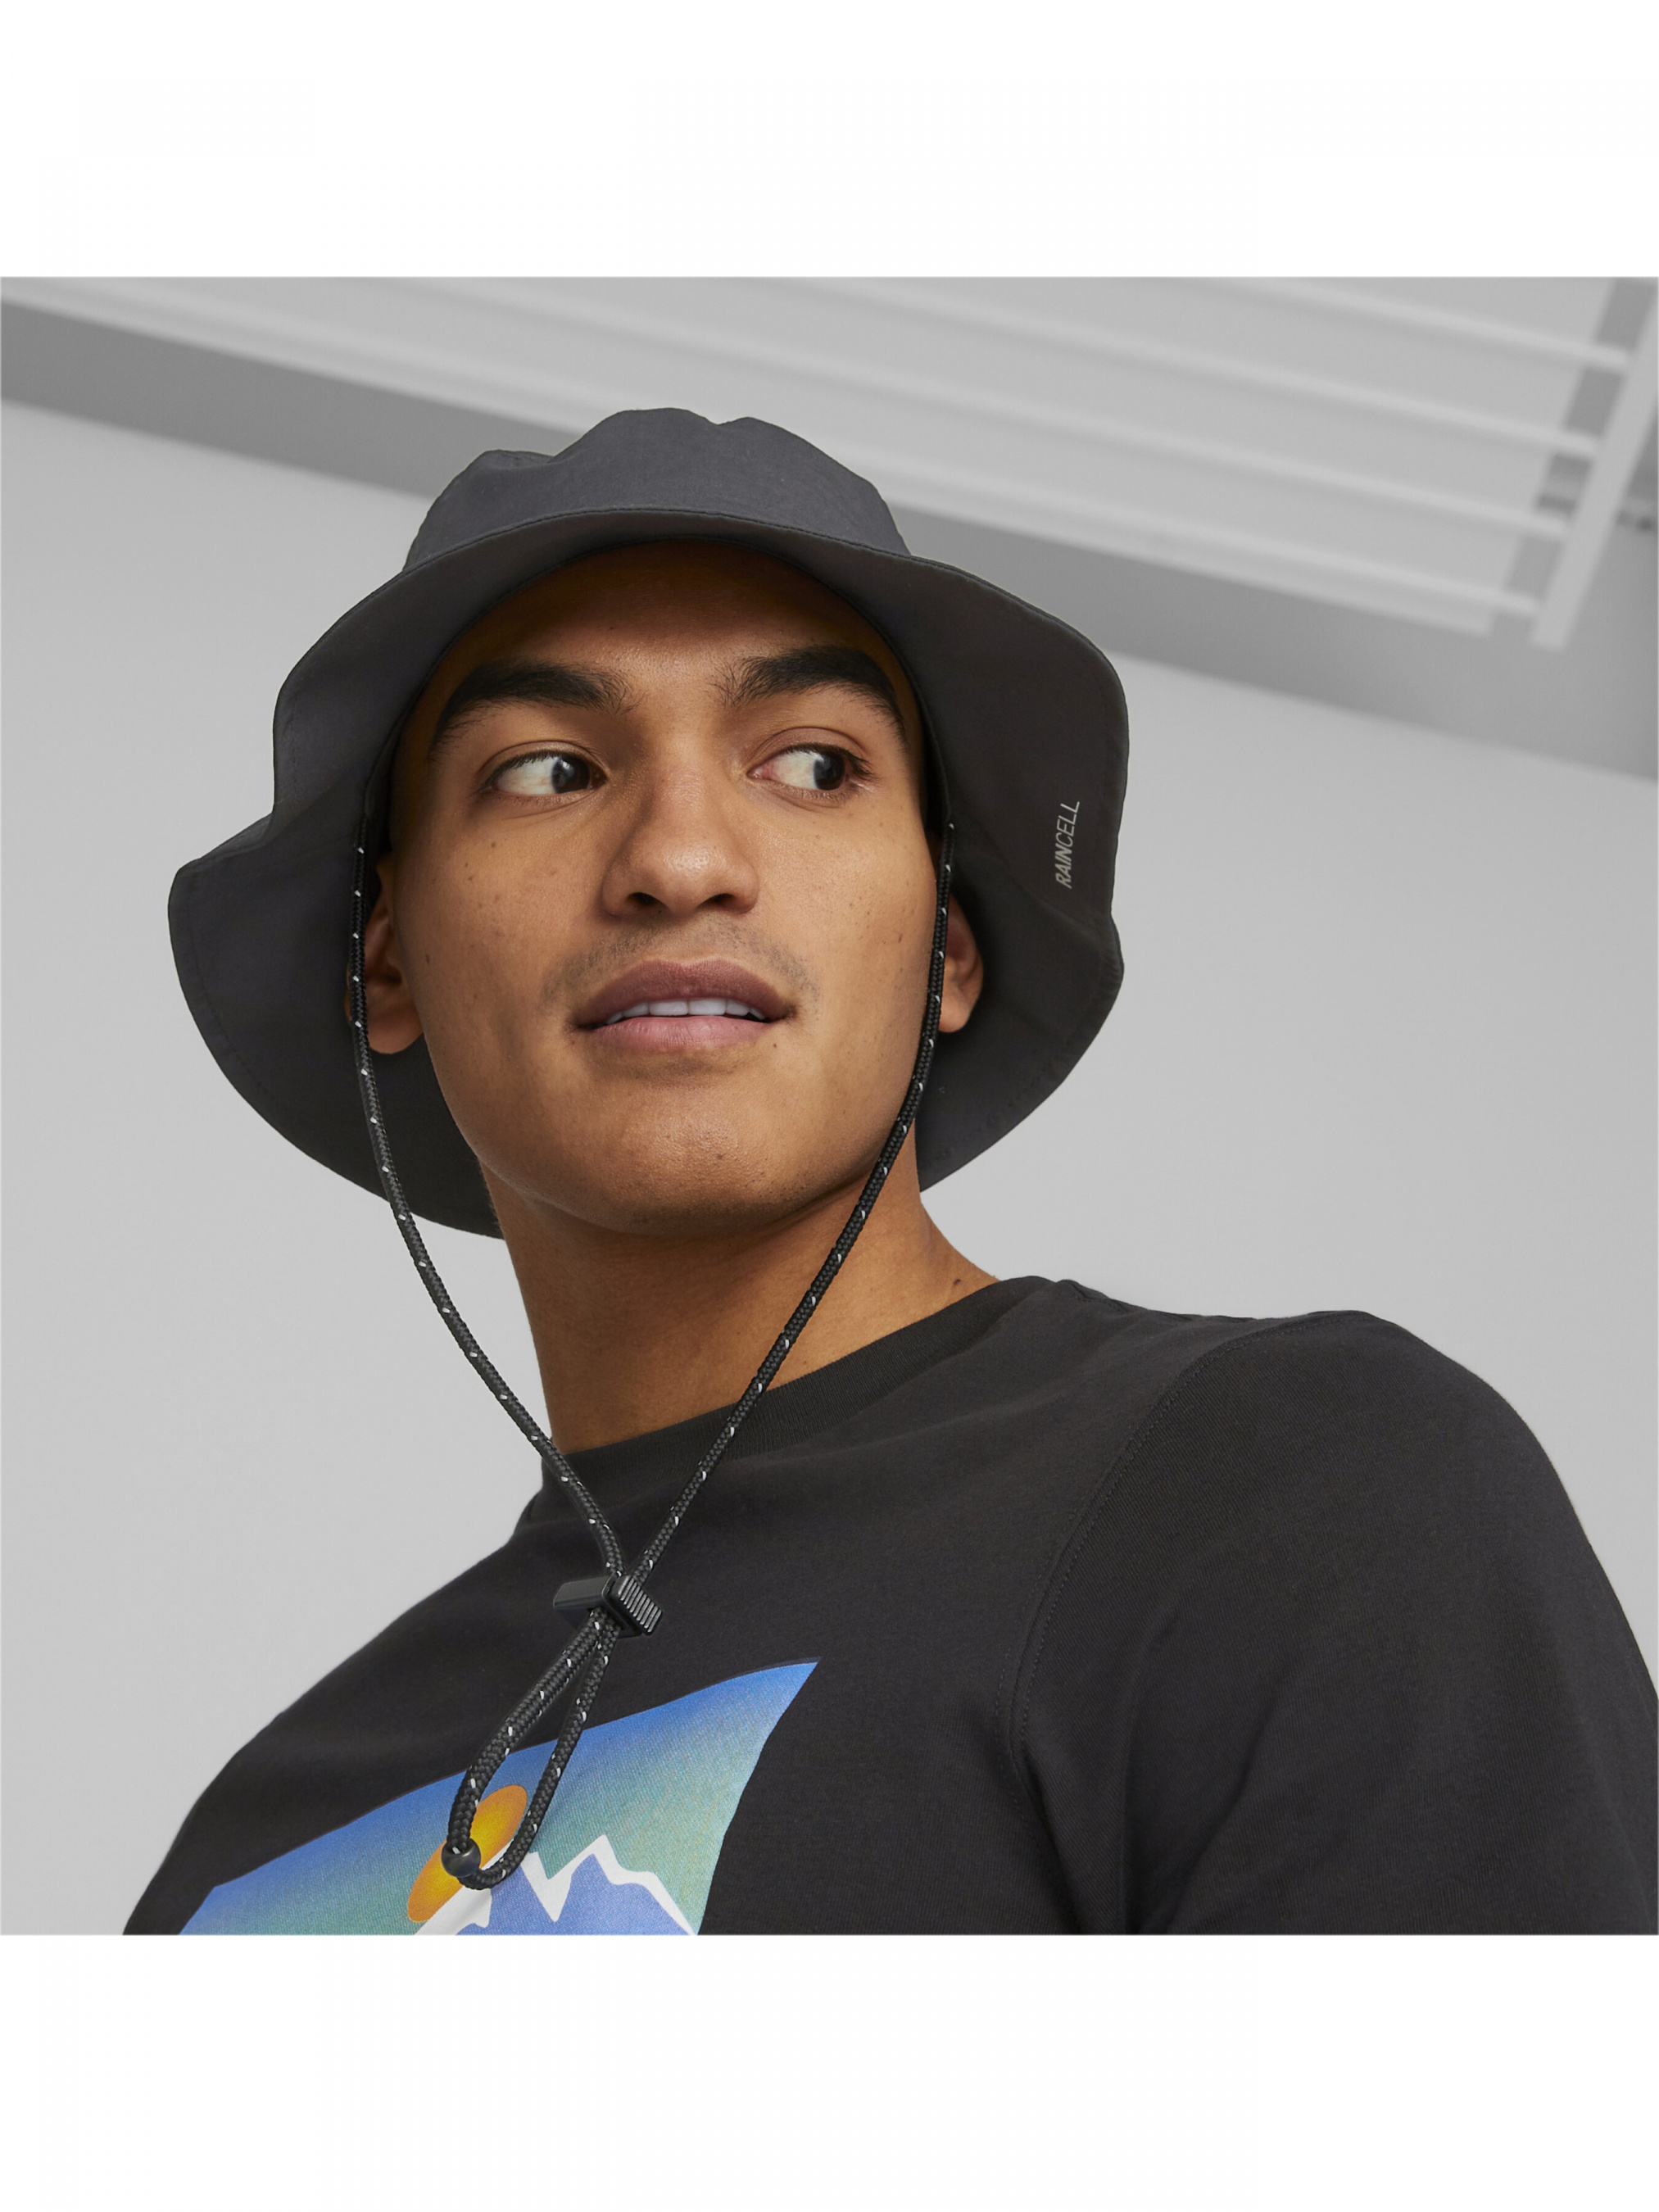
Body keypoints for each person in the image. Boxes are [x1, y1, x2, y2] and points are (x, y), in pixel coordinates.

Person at [129, 408, 1656, 1935]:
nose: (679, 858)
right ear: (384, 963)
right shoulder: (245, 1860)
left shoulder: (1303, 1496)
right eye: (547, 770)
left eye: (812, 764)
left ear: (949, 952)